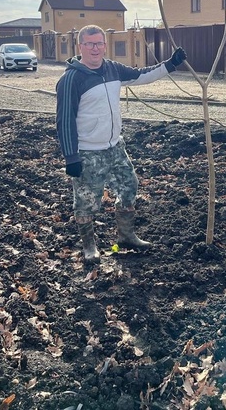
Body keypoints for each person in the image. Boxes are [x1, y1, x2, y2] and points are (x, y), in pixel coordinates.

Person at [56, 24, 187, 262]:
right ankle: (89, 247)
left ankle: (126, 236)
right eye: (90, 44)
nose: (95, 49)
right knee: (86, 201)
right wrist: (71, 157)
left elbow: (143, 75)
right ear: (80, 46)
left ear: (105, 45)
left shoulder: (113, 69)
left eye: (99, 43)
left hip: (115, 147)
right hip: (88, 152)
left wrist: (171, 64)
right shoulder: (71, 79)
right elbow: (64, 121)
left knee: (129, 187)